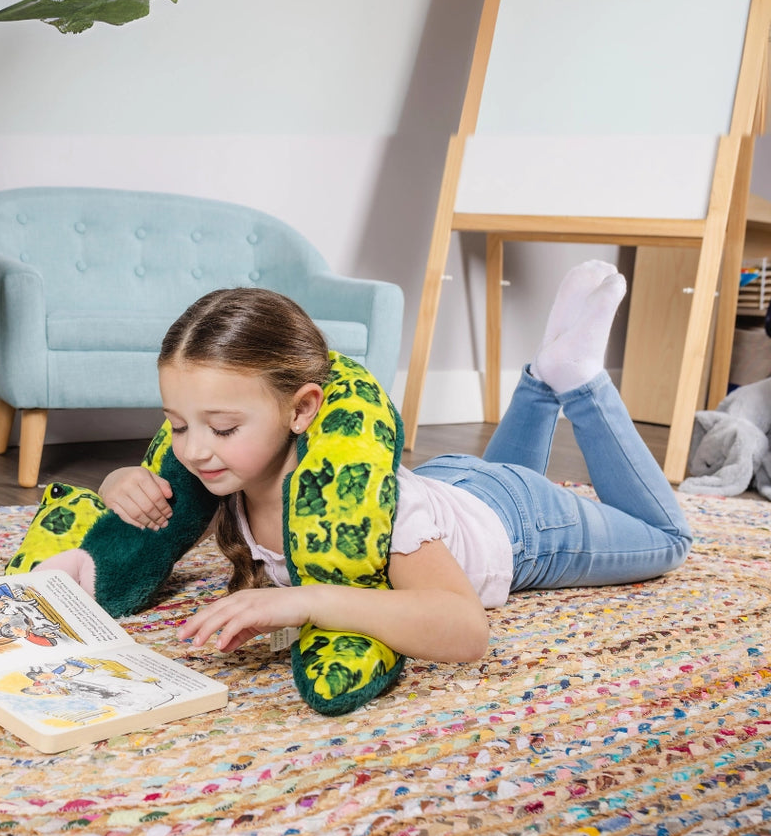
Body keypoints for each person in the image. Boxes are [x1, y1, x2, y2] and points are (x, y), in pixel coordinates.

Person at [98, 260, 692, 664]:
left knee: (668, 541)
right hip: (450, 487)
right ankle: (541, 377)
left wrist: (306, 600)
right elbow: (141, 527)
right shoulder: (226, 471)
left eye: (223, 427)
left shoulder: (377, 506)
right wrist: (120, 481)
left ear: (302, 410)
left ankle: (579, 380)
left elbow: (466, 630)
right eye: (177, 425)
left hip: (522, 525)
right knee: (495, 483)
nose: (193, 450)